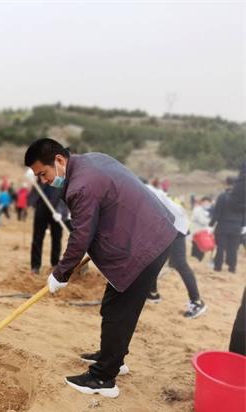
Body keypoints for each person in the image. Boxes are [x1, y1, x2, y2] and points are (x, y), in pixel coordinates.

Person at [25, 138, 177, 398]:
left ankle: (103, 378)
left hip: (144, 245)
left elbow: (80, 236)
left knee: (120, 311)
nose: (43, 180)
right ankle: (113, 357)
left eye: (44, 173)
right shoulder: (91, 160)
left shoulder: (81, 186)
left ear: (59, 161)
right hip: (149, 233)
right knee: (114, 305)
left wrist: (60, 273)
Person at [144, 181, 207, 318]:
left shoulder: (142, 191)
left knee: (179, 263)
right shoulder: (139, 189)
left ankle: (197, 302)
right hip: (162, 225)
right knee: (151, 258)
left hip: (175, 225)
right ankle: (152, 293)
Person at [30, 181, 65, 275]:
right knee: (37, 237)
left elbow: (65, 191)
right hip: (42, 204)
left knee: (57, 238)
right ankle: (35, 267)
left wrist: (61, 210)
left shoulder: (61, 173)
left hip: (57, 207)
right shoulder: (42, 171)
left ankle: (55, 264)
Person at [210, 177, 241, 272]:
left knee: (220, 247)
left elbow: (217, 212)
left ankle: (218, 266)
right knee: (233, 248)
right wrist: (244, 225)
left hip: (223, 226)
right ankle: (232, 267)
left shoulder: (222, 196)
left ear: (226, 184)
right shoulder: (241, 198)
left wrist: (211, 224)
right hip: (237, 226)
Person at [190, 196, 213, 260]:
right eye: (205, 202)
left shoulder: (205, 210)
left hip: (202, 232)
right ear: (202, 202)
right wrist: (211, 221)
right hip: (197, 231)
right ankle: (196, 259)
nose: (207, 204)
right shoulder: (198, 209)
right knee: (197, 247)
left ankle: (197, 259)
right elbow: (202, 220)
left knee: (200, 247)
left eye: (209, 203)